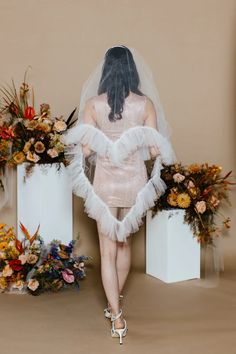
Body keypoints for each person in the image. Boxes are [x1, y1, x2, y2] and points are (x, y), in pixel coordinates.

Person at [63, 46, 176, 344]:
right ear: (132, 70)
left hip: (104, 182)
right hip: (134, 181)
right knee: (124, 245)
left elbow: (85, 149)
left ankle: (116, 316)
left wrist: (103, 143)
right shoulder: (145, 103)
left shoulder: (93, 104)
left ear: (106, 71)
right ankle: (117, 304)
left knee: (107, 251)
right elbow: (154, 150)